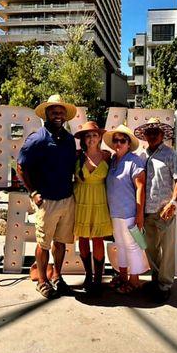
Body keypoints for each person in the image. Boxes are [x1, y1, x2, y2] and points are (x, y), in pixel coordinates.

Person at [17, 95, 77, 299]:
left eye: (61, 112)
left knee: (60, 242)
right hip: (47, 201)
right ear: (46, 114)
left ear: (65, 115)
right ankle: (42, 281)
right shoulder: (37, 139)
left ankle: (57, 276)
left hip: (67, 199)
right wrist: (33, 193)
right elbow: (21, 166)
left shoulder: (69, 140)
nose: (58, 115)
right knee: (43, 244)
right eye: (54, 112)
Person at [134, 117, 177, 302]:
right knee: (150, 249)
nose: (152, 135)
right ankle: (156, 280)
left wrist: (173, 202)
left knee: (167, 248)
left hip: (165, 211)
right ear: (145, 135)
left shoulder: (171, 154)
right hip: (146, 211)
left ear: (163, 135)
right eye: (149, 132)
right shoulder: (141, 156)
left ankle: (165, 284)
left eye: (156, 132)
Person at [103, 124, 149, 294]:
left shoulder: (134, 161)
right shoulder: (113, 160)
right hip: (115, 213)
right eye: (115, 140)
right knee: (120, 245)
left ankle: (134, 280)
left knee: (132, 246)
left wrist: (139, 215)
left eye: (123, 140)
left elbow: (140, 188)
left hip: (129, 213)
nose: (118, 143)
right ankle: (122, 276)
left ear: (129, 144)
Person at [73, 121, 113, 295]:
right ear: (83, 139)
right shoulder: (76, 156)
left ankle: (98, 277)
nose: (91, 138)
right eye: (87, 135)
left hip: (100, 199)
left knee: (97, 239)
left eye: (94, 135)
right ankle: (88, 275)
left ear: (100, 137)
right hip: (81, 199)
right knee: (82, 238)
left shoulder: (107, 156)